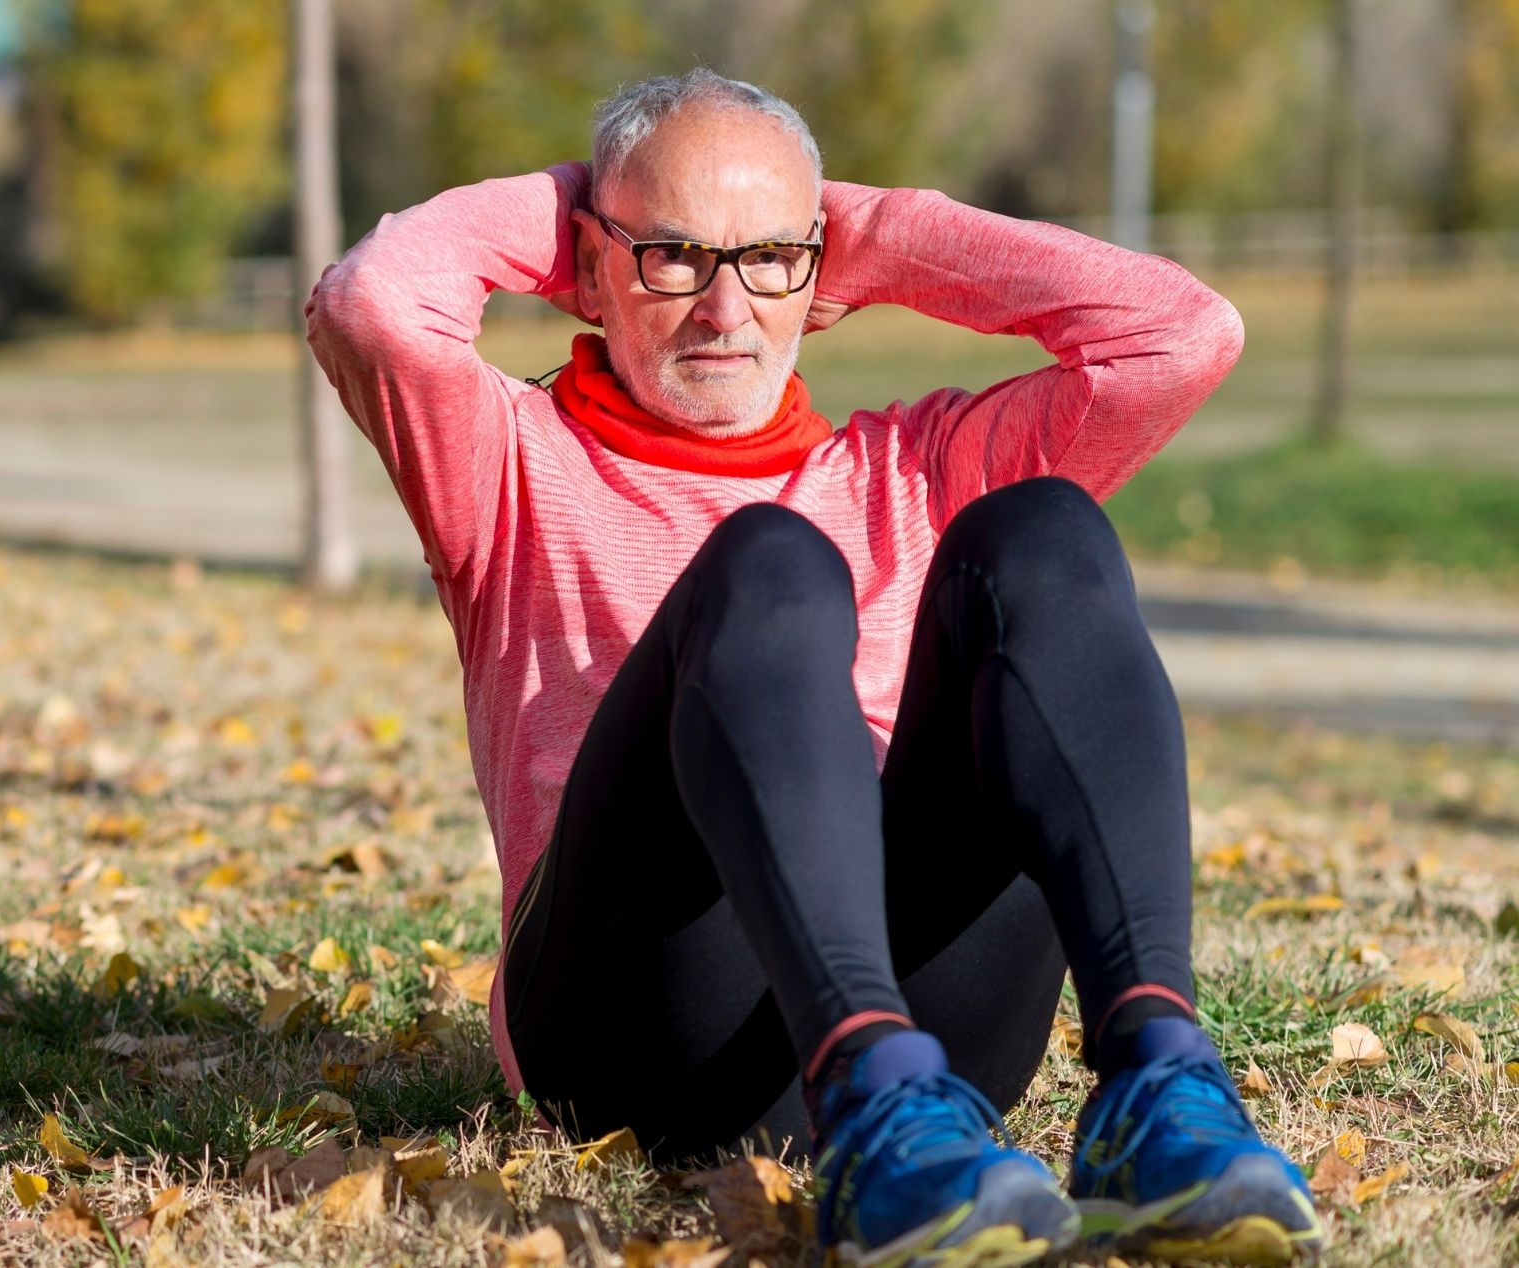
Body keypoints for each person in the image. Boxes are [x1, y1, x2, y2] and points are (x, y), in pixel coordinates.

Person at [305, 69, 1321, 1267]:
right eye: (672, 256)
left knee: (1041, 529)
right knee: (769, 561)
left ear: (820, 274)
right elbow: (372, 301)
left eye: (774, 258)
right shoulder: (509, 461)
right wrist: (583, 212)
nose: (723, 308)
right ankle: (872, 1094)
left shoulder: (915, 466)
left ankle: (1157, 1081)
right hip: (638, 1034)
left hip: (943, 1023)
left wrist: (878, 235)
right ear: (587, 267)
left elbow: (1180, 334)